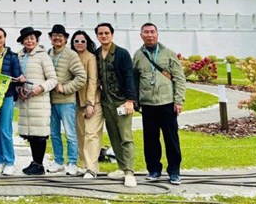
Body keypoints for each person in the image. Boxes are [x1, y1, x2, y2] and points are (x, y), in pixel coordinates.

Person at [132, 22, 186, 185]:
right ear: (141, 35)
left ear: (157, 34)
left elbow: (179, 78)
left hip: (167, 103)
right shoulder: (138, 55)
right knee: (150, 140)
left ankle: (174, 171)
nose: (149, 35)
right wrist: (135, 99)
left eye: (152, 32)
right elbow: (135, 80)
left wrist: (179, 100)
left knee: (171, 139)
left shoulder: (168, 54)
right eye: (146, 32)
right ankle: (154, 169)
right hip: (148, 105)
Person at [95, 22, 138, 188]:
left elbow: (129, 77)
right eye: (100, 33)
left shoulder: (121, 53)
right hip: (106, 103)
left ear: (112, 35)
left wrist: (130, 100)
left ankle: (129, 171)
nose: (104, 36)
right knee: (113, 136)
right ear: (97, 36)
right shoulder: (97, 54)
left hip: (122, 102)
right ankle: (121, 167)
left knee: (125, 137)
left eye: (106, 33)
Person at [16, 26, 58, 175]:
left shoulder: (42, 56)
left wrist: (40, 88)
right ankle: (35, 162)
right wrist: (19, 90)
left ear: (37, 40)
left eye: (32, 38)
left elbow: (53, 79)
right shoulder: (19, 56)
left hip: (39, 100)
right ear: (22, 41)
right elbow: (17, 77)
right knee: (31, 134)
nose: (29, 41)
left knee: (39, 134)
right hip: (26, 100)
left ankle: (39, 164)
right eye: (26, 39)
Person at [46, 24, 87, 176]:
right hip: (50, 101)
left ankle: (72, 162)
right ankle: (58, 161)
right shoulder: (48, 53)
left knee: (70, 134)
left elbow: (81, 77)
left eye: (60, 36)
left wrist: (65, 88)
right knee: (54, 133)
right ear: (50, 38)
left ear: (66, 39)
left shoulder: (71, 55)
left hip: (67, 102)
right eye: (54, 35)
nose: (57, 38)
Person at [0, 26, 24, 175]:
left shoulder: (12, 56)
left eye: (0, 37)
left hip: (6, 96)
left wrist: (20, 79)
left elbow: (17, 75)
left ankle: (9, 161)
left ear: (5, 39)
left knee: (5, 129)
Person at [71, 29, 102, 179]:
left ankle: (92, 168)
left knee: (91, 134)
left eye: (82, 41)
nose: (79, 43)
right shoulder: (72, 57)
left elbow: (93, 81)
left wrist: (90, 103)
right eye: (76, 41)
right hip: (76, 102)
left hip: (91, 102)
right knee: (81, 135)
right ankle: (83, 164)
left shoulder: (90, 57)